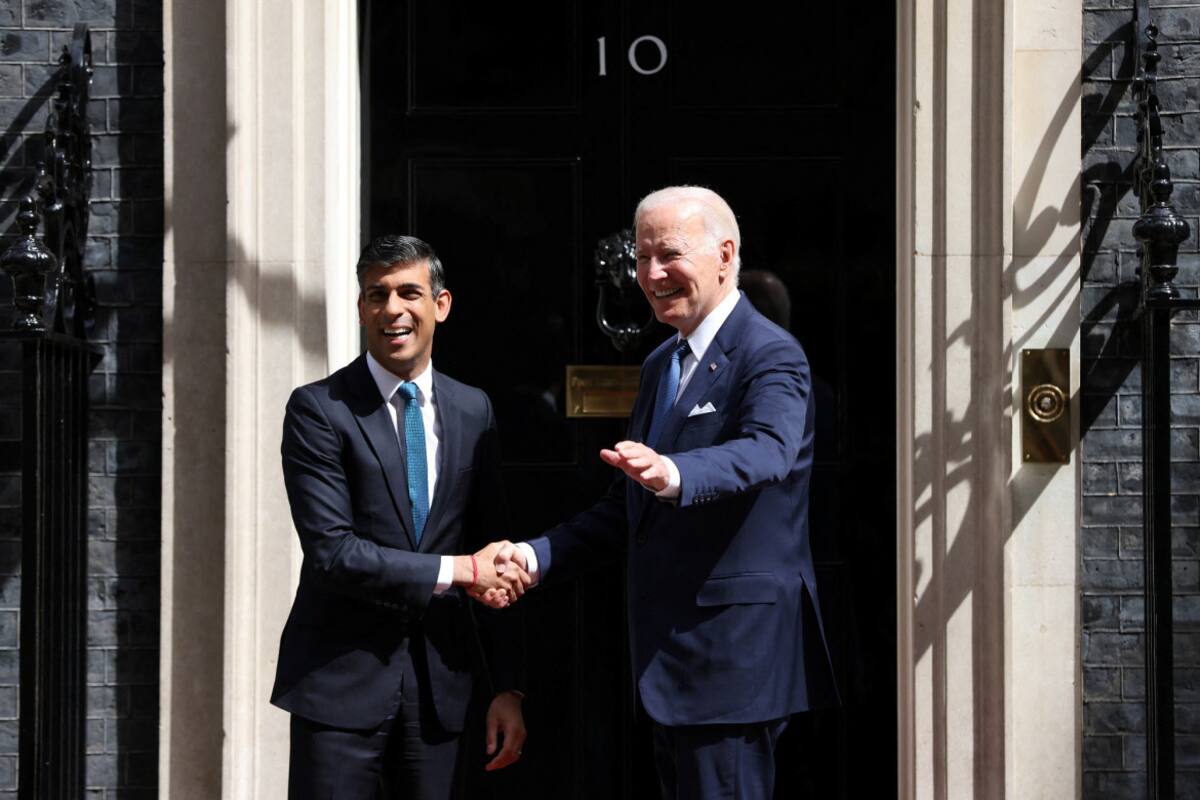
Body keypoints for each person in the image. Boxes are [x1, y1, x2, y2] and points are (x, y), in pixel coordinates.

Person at [489, 187, 837, 800]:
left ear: (725, 255)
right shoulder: (660, 364)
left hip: (732, 660)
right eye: (642, 257)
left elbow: (769, 451)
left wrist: (674, 474)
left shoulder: (770, 353)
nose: (651, 274)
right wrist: (537, 555)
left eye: (669, 254)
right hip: (669, 664)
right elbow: (628, 508)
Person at [271, 235, 529, 799]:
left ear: (441, 305)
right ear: (362, 308)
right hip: (339, 683)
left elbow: (495, 547)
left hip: (444, 687)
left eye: (408, 292)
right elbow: (333, 553)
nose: (392, 309)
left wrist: (507, 688)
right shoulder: (319, 409)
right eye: (376, 295)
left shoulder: (473, 409)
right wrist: (462, 571)